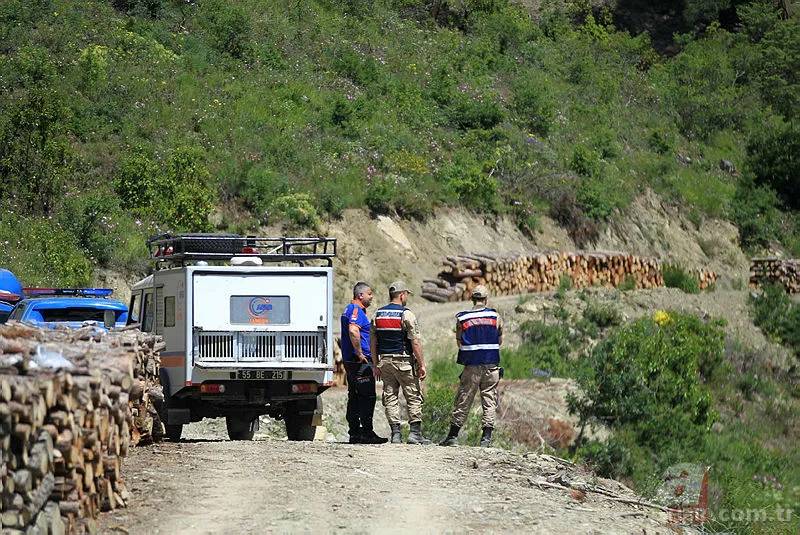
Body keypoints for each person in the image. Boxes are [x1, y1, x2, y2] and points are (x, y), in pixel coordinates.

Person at [440, 285, 503, 448]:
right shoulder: (495, 316)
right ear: (486, 299)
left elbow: (459, 342)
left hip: (472, 366)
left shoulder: (462, 318)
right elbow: (499, 340)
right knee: (489, 399)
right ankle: (486, 439)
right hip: (491, 365)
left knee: (464, 398)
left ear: (472, 299)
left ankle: (452, 437)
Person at [370, 281, 431, 445]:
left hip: (385, 362)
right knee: (413, 396)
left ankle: (395, 434)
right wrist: (422, 364)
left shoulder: (378, 314)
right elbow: (415, 342)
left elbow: (373, 342)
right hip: (404, 361)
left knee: (390, 397)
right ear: (402, 295)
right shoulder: (407, 314)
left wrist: (376, 364)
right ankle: (415, 434)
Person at [341, 282, 387, 444]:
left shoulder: (349, 309)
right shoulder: (355, 310)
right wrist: (360, 353)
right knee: (367, 396)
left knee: (354, 395)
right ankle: (366, 432)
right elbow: (353, 330)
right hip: (360, 361)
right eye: (369, 293)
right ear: (360, 295)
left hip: (350, 360)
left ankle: (354, 433)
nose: (371, 296)